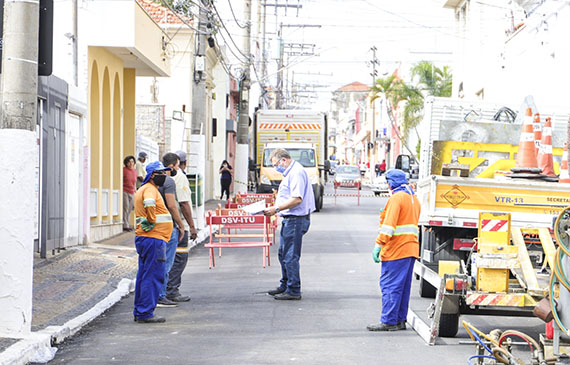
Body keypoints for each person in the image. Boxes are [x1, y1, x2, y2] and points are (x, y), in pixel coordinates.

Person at [367, 169, 421, 331]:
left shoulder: (397, 198)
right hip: (410, 249)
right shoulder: (413, 198)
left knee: (390, 286)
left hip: (396, 250)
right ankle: (399, 320)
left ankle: (389, 321)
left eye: (387, 182)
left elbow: (389, 226)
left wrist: (378, 244)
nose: (387, 185)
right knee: (402, 287)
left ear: (391, 182)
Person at [264, 148, 315, 300]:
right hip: (290, 219)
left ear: (283, 160)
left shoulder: (296, 173)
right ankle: (285, 284)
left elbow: (296, 199)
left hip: (295, 219)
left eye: (276, 164)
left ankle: (293, 289)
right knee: (283, 253)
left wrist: (276, 208)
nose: (275, 168)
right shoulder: (291, 172)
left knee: (290, 255)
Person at [133, 161, 173, 323]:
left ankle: (140, 310)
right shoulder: (149, 189)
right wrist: (151, 218)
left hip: (146, 238)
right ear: (152, 175)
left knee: (143, 275)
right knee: (153, 275)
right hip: (154, 239)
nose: (164, 176)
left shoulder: (142, 189)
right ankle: (145, 312)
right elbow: (149, 203)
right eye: (160, 173)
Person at [165, 150, 198, 302]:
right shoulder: (179, 178)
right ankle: (171, 290)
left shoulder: (162, 180)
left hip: (166, 226)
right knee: (179, 258)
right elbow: (184, 204)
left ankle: (167, 289)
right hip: (179, 226)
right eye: (179, 165)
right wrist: (191, 226)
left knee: (170, 259)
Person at [156, 152, 186, 308]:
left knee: (155, 263)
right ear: (171, 166)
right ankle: (162, 295)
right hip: (168, 228)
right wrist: (181, 225)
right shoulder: (168, 182)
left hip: (152, 230)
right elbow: (173, 206)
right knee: (167, 263)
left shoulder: (148, 185)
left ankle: (156, 295)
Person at [123, 155, 137, 231]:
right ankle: (126, 225)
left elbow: (134, 182)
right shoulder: (124, 170)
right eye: (129, 162)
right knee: (126, 207)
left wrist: (135, 190)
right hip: (125, 190)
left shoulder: (135, 171)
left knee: (130, 208)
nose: (130, 163)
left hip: (132, 191)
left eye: (132, 162)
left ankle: (127, 223)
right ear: (126, 163)